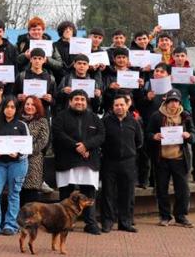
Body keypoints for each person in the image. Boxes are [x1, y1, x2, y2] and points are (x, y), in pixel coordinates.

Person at [52, 89, 105, 235]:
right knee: (65, 194)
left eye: (82, 99)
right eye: (76, 99)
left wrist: (87, 146)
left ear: (86, 102)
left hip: (88, 161)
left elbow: (101, 135)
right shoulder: (61, 117)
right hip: (67, 160)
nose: (79, 102)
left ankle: (91, 223)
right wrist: (77, 146)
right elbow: (58, 134)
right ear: (70, 101)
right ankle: (63, 223)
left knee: (88, 194)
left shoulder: (95, 118)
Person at [146, 89, 195, 228]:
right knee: (162, 189)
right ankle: (165, 216)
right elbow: (148, 133)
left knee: (183, 190)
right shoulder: (157, 116)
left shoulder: (186, 116)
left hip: (180, 159)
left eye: (176, 101)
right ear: (166, 102)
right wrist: (154, 136)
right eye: (171, 101)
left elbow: (194, 135)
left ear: (179, 102)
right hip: (162, 158)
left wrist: (189, 135)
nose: (173, 104)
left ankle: (181, 216)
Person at [0, 96, 31, 236]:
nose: (9, 110)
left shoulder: (22, 125)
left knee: (14, 193)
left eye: (12, 107)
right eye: (7, 107)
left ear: (16, 109)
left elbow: (27, 149)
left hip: (18, 164)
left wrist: (17, 154)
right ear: (3, 108)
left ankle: (11, 225)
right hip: (1, 163)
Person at [99, 95, 143, 233]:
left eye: (121, 105)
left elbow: (139, 141)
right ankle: (107, 222)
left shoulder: (134, 122)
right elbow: (101, 140)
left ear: (127, 105)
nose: (119, 107)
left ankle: (125, 222)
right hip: (109, 162)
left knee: (128, 193)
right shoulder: (105, 121)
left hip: (128, 162)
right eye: (116, 105)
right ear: (112, 107)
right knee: (108, 193)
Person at [19, 96, 50, 206]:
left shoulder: (42, 121)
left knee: (31, 194)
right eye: (27, 104)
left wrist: (27, 151)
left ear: (38, 107)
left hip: (34, 160)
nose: (29, 106)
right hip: (17, 160)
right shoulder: (18, 120)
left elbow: (43, 140)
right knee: (18, 190)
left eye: (33, 104)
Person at [15, 48, 57, 116]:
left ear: (44, 60)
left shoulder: (50, 79)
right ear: (31, 59)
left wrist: (50, 99)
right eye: (34, 58)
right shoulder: (21, 76)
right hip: (24, 114)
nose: (37, 61)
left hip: (43, 115)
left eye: (40, 58)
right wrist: (18, 98)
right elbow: (13, 95)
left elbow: (55, 101)